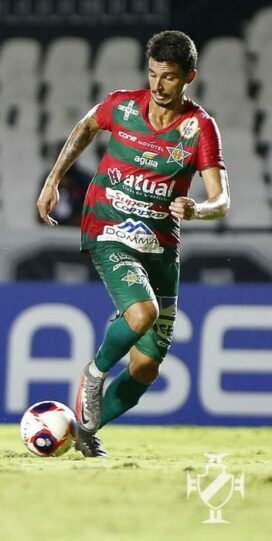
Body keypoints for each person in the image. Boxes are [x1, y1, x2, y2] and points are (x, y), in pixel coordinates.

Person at [36, 30, 230, 457]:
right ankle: (93, 373)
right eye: (153, 74)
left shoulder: (198, 127)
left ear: (189, 77)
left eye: (170, 78)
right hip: (108, 225)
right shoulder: (122, 105)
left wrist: (199, 209)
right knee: (143, 313)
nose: (159, 86)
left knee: (146, 368)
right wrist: (54, 180)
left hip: (161, 243)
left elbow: (222, 199)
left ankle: (81, 431)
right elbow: (85, 127)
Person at [35, 141, 91, 226]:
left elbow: (90, 211)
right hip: (51, 230)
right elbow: (39, 209)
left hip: (76, 231)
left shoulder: (84, 180)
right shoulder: (48, 179)